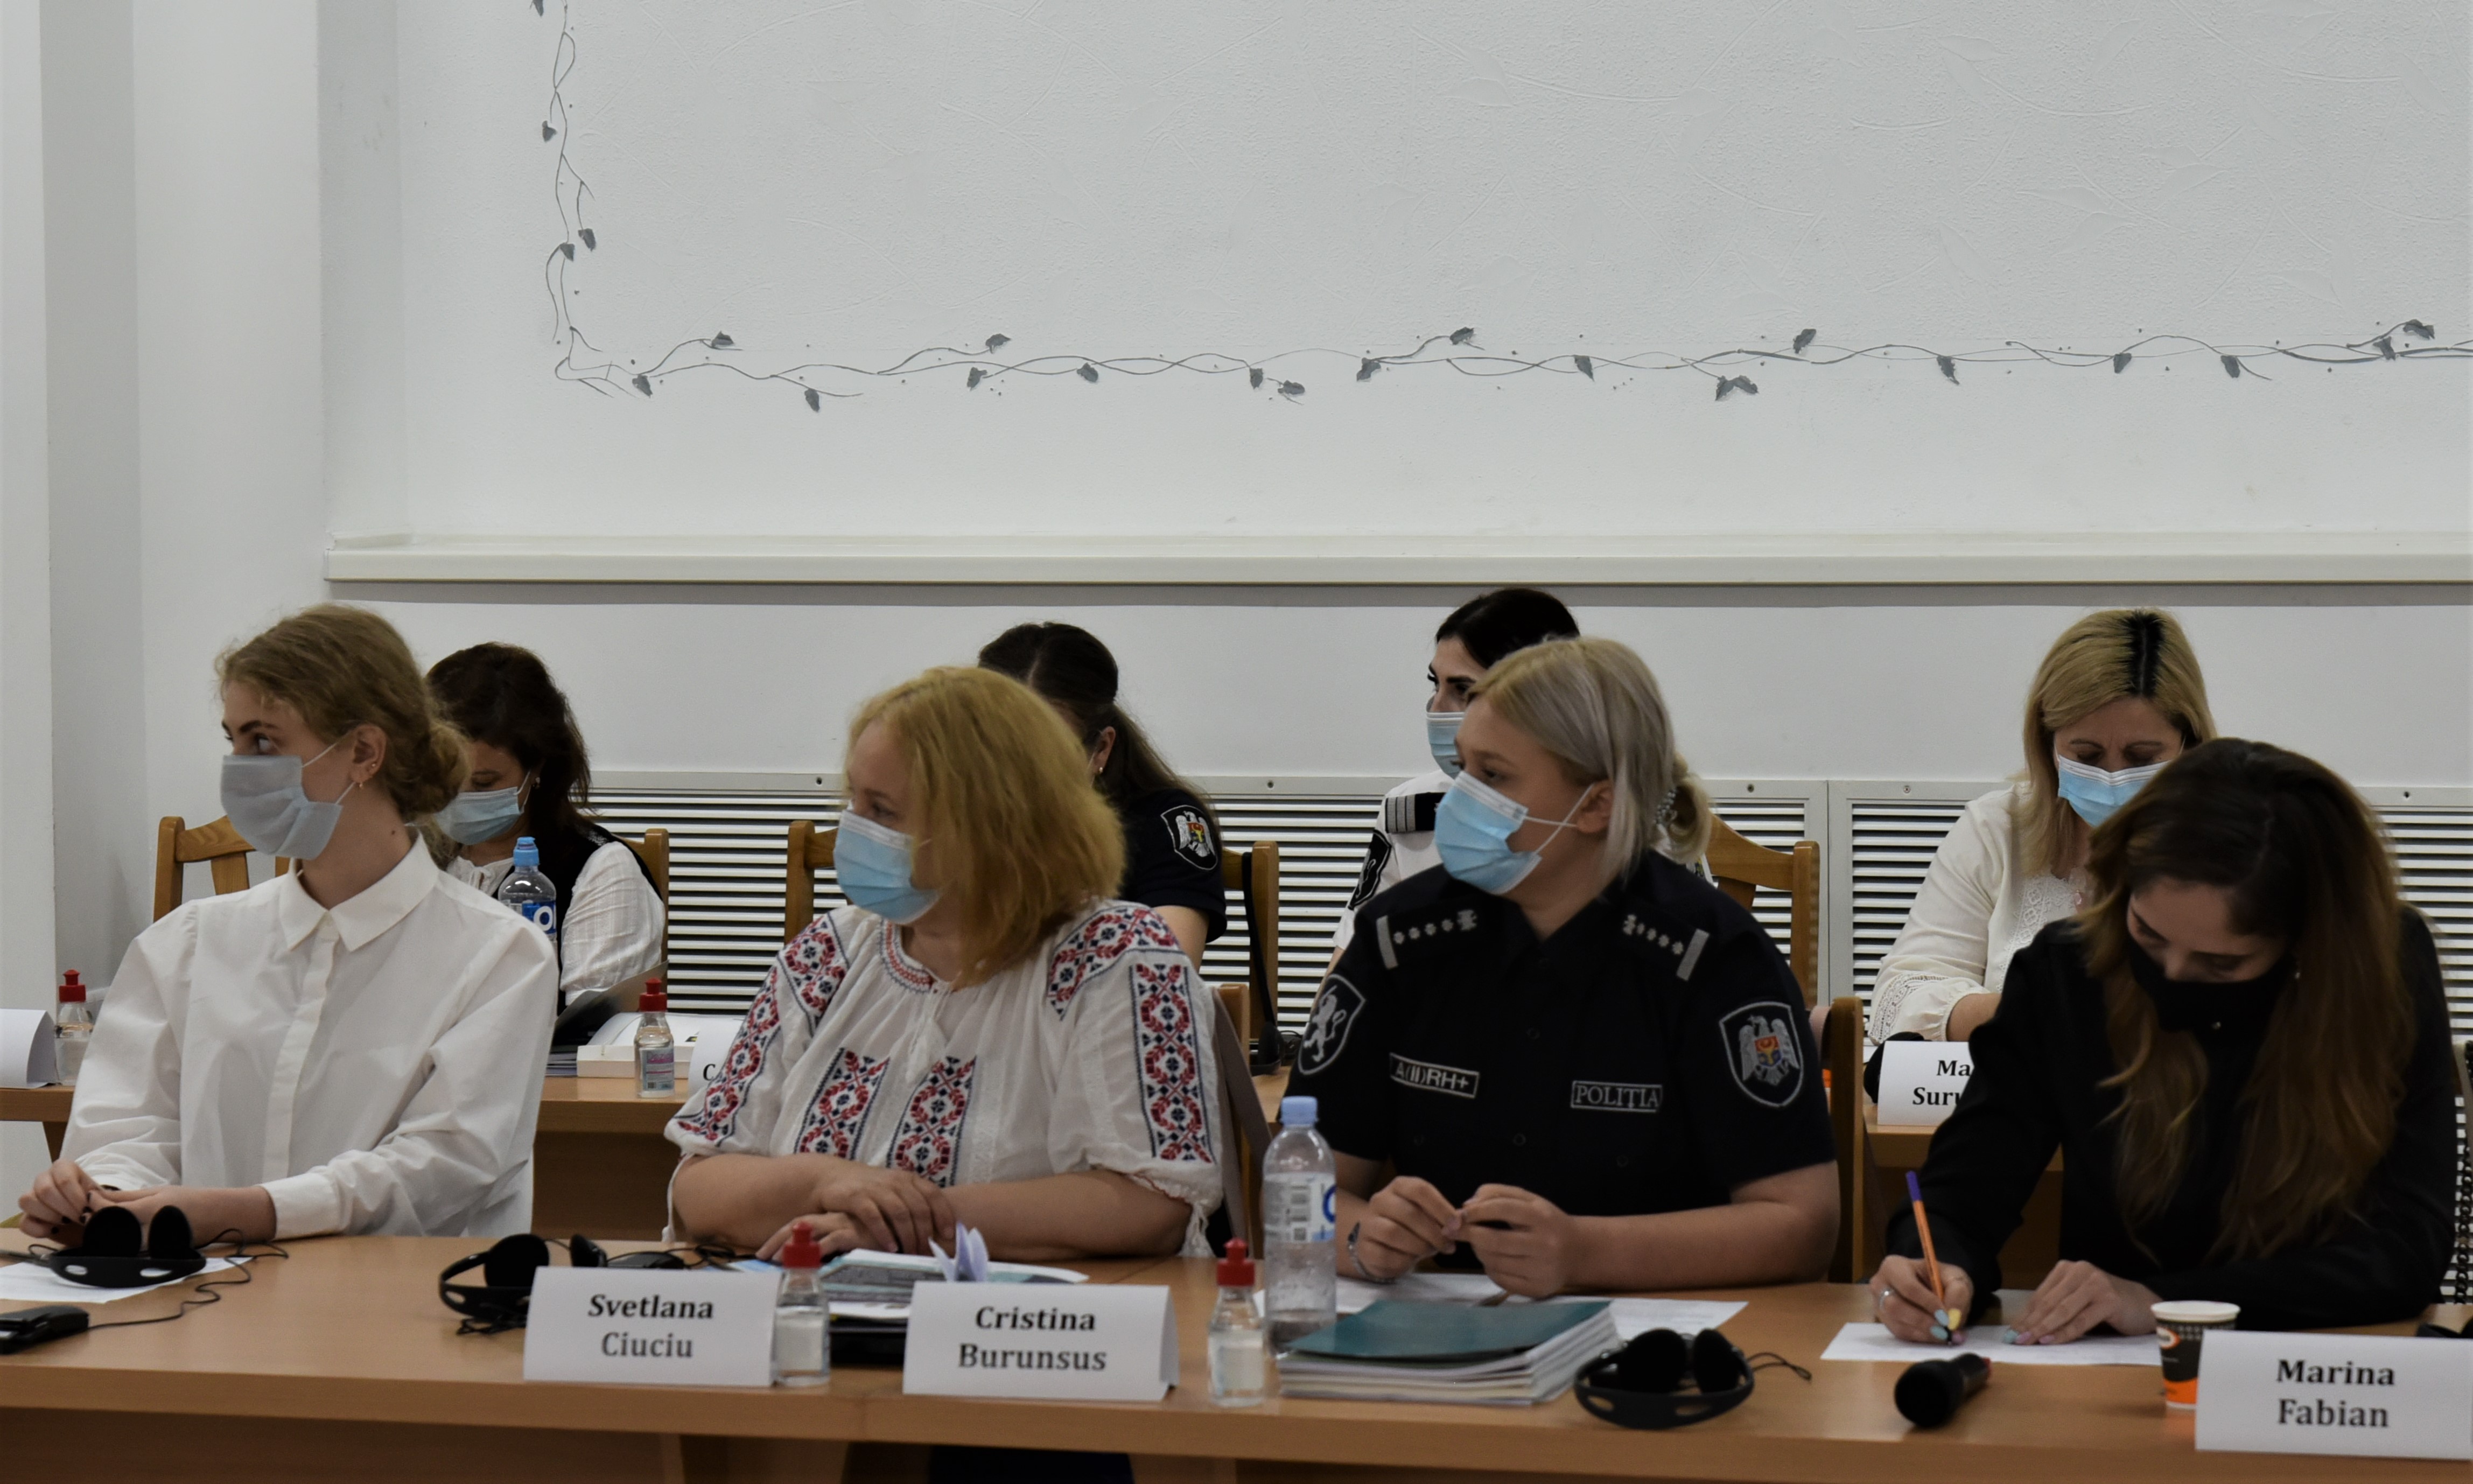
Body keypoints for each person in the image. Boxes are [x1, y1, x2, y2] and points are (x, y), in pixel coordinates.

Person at [1288, 638, 1837, 1298]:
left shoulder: (1713, 956)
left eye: (1493, 776)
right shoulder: (1398, 938)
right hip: (1449, 1325)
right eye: (1463, 768)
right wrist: (1362, 1235)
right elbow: (1300, 1188)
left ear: (1596, 805)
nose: (1461, 797)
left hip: (1664, 1328)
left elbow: (1804, 1225)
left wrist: (1583, 1253)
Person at [1872, 739, 2452, 1343]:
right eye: (2147, 935)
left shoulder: (2381, 972)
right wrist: (1934, 1262)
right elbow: (1968, 1184)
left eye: (2220, 964)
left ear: (2303, 944)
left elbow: (2407, 1248)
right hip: (2114, 1373)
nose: (2171, 975)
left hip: (2329, 1361)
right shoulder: (2068, 972)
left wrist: (2163, 1301)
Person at [18, 606, 558, 1244]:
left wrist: (242, 1210)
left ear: (364, 751)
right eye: (233, 740)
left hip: (398, 1296)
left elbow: (440, 1168)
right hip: (198, 1290)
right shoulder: (185, 945)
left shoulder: (500, 954)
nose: (238, 767)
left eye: (264, 741)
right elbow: (126, 1131)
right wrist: (102, 1198)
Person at [666, 666, 1222, 1262]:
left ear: (989, 826)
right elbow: (697, 1189)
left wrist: (905, 1226)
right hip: (812, 1304)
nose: (850, 830)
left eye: (882, 810)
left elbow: (1153, 1202)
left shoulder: (1118, 956)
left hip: (1036, 1318)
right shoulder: (827, 954)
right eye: (852, 800)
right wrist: (824, 1181)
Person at [1869, 609, 2216, 1042]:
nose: (2111, 777)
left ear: (2189, 746)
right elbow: (1896, 1001)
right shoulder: (1996, 829)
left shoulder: (2235, 843)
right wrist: (2037, 1009)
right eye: (2086, 755)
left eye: (2141, 757)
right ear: (2047, 743)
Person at [1332, 588, 1581, 960]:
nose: (1436, 709)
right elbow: (1351, 965)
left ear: (1540, 699)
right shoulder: (1411, 810)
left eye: (1463, 689)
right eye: (1436, 684)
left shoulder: (1616, 813)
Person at [427, 643, 664, 1005]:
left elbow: (587, 1028)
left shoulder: (599, 871)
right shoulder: (415, 855)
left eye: (484, 783)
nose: (458, 797)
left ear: (538, 767)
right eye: (445, 777)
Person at [978, 622, 1225, 966]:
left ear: (1101, 750)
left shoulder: (1163, 822)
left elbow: (1165, 973)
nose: (1020, 775)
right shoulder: (957, 820)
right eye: (996, 749)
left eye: (1049, 754)